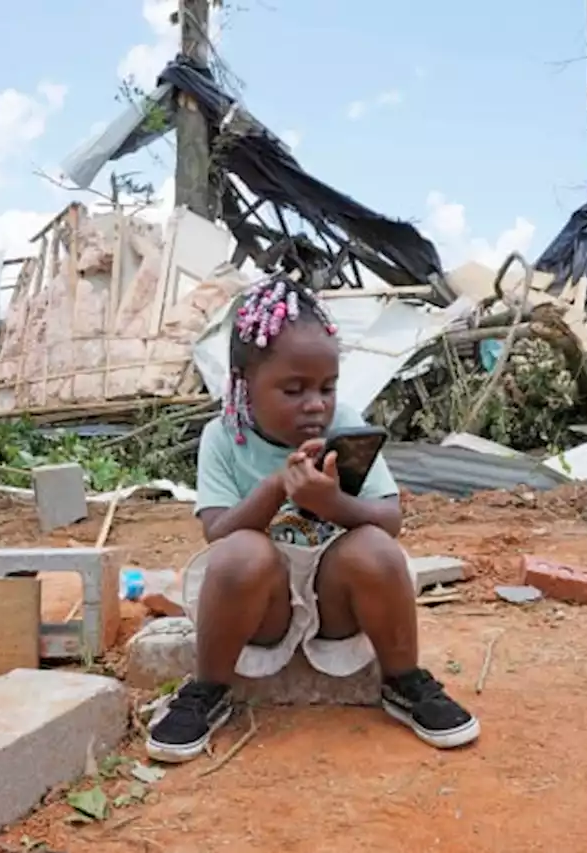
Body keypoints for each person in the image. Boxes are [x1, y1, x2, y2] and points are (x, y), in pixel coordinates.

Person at [146, 273, 481, 764]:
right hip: (264, 607)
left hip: (335, 606)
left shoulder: (346, 426)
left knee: (375, 549)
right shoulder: (224, 437)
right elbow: (216, 532)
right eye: (294, 389)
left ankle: (405, 683)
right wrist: (277, 485)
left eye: (327, 387)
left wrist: (334, 506)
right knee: (241, 552)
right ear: (243, 383)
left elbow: (389, 520)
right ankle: (209, 690)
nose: (316, 404)